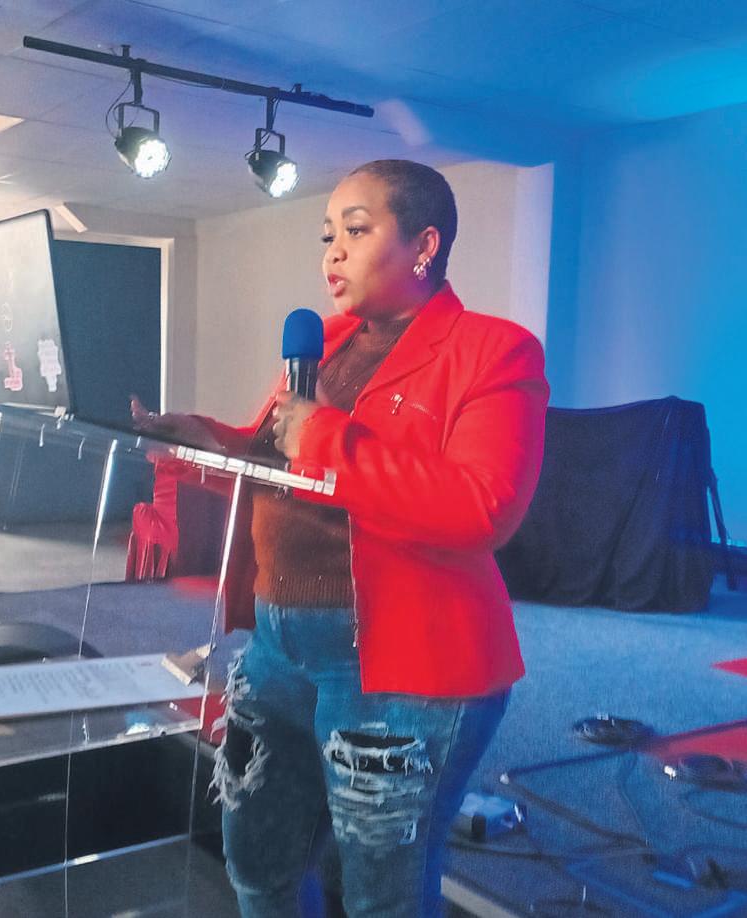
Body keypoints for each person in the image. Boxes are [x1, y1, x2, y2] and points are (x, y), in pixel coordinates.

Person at [132, 159, 549, 917]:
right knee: (257, 862)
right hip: (277, 648)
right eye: (328, 236)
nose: (333, 253)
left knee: (380, 896)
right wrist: (205, 442)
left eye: (355, 230)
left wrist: (324, 434)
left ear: (424, 245)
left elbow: (483, 509)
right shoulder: (321, 342)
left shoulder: (495, 351)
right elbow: (280, 459)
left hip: (400, 668)